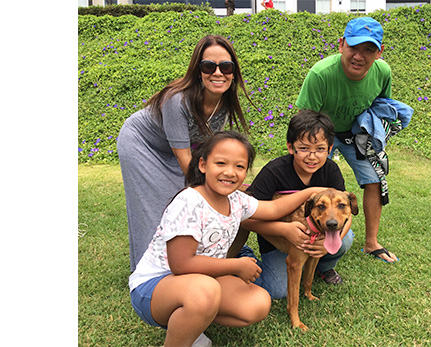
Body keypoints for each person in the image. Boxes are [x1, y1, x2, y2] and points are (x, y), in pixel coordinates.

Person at [128, 131, 328, 347]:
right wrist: (236, 265)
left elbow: (274, 208)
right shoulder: (189, 202)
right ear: (203, 165)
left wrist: (311, 192)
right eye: (221, 163)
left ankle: (191, 322)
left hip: (201, 280)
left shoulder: (236, 200)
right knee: (205, 291)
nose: (230, 172)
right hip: (154, 286)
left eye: (239, 167)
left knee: (258, 302)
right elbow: (181, 264)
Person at [117, 35, 254, 272]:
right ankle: (147, 275)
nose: (218, 73)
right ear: (198, 70)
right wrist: (219, 185)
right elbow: (189, 166)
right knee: (157, 206)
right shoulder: (177, 101)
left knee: (183, 200)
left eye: (226, 66)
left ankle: (187, 260)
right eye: (209, 66)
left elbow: (210, 151)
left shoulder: (223, 101)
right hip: (141, 144)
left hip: (172, 149)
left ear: (234, 72)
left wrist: (228, 178)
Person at [295, 17, 399, 263]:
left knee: (375, 179)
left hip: (356, 135)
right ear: (341, 44)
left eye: (368, 50)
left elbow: (382, 105)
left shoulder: (383, 72)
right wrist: (313, 151)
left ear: (379, 52)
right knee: (310, 183)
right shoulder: (320, 74)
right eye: (353, 47)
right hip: (321, 136)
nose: (359, 56)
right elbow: (305, 121)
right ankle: (304, 235)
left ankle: (371, 243)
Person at [240, 110, 353, 299]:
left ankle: (323, 268)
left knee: (345, 237)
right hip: (276, 240)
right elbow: (243, 217)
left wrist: (328, 244)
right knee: (276, 291)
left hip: (313, 233)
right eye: (304, 148)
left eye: (319, 149)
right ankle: (243, 256)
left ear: (329, 149)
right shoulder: (274, 171)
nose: (312, 156)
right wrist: (284, 230)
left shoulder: (331, 170)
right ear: (291, 147)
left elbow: (344, 213)